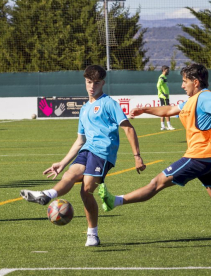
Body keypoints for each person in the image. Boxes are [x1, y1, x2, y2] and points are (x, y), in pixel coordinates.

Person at [99, 63, 211, 245]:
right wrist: (145, 110)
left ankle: (115, 201)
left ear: (196, 82)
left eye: (184, 82)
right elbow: (169, 110)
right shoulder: (191, 100)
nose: (182, 86)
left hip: (199, 157)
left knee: (156, 183)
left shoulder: (205, 97)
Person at [20, 65, 146, 246]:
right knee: (69, 175)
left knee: (86, 190)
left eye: (96, 83)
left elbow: (128, 128)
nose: (91, 86)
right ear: (85, 82)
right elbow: (80, 140)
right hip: (86, 150)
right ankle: (47, 194)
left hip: (103, 153)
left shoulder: (109, 103)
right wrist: (62, 163)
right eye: (88, 82)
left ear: (103, 83)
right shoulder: (85, 108)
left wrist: (137, 156)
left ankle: (92, 234)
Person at [157, 65, 175, 130]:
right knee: (167, 110)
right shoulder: (162, 77)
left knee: (163, 110)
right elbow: (158, 85)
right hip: (164, 96)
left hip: (164, 96)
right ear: (164, 70)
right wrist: (163, 93)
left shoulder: (164, 77)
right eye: (168, 70)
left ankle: (162, 126)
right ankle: (169, 126)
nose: (168, 71)